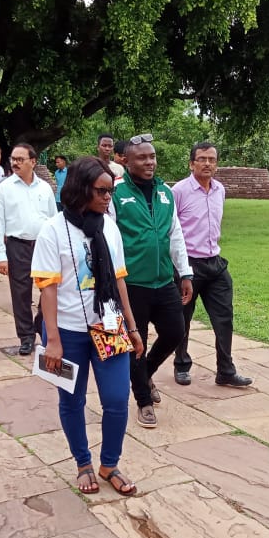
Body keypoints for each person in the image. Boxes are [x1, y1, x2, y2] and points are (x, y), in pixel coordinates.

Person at [33, 156, 144, 496]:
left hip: (109, 324)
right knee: (72, 401)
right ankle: (83, 463)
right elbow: (47, 289)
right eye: (101, 191)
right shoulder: (52, 230)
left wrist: (133, 327)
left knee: (116, 399)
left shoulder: (109, 226)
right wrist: (53, 340)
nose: (107, 198)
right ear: (80, 189)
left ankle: (109, 464)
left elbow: (120, 280)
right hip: (65, 332)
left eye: (110, 191)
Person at [111, 134, 193, 429]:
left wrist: (184, 272)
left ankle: (145, 372)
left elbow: (175, 235)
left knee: (175, 331)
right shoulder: (116, 193)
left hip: (163, 280)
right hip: (131, 284)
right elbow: (109, 237)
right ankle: (143, 400)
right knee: (137, 342)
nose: (150, 162)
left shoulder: (165, 192)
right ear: (126, 161)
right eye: (142, 158)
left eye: (153, 156)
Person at [171, 143, 252, 387]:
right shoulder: (179, 191)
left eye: (212, 159)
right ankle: (181, 364)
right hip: (188, 265)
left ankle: (225, 370)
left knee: (224, 317)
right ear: (191, 163)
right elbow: (170, 230)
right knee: (182, 318)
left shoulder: (219, 190)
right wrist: (178, 267)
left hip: (215, 263)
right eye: (202, 159)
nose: (208, 163)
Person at [0, 143, 57, 355]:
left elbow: (53, 219)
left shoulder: (44, 188)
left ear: (33, 161)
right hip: (17, 246)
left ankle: (40, 322)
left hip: (43, 246)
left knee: (49, 288)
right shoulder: (4, 188)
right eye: (13, 159)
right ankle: (26, 336)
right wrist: (0, 256)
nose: (15, 163)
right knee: (20, 293)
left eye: (20, 159)